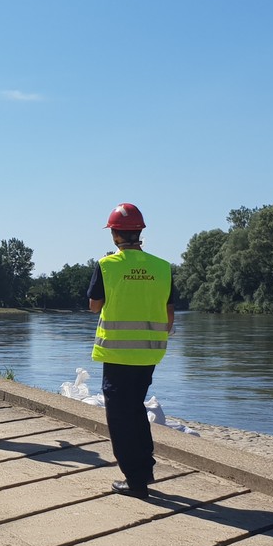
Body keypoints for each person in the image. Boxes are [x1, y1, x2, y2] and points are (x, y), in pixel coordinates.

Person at [88, 203, 175, 498]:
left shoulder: (107, 265)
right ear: (140, 232)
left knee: (120, 417)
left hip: (117, 353)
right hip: (149, 353)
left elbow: (94, 306)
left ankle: (135, 480)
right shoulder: (162, 267)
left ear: (114, 234)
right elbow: (170, 312)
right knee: (135, 409)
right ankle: (144, 467)